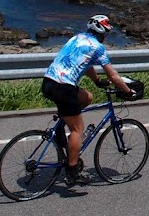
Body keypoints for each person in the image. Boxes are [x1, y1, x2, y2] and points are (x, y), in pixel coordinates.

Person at [41, 14, 136, 185]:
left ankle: (61, 130)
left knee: (87, 97)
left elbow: (86, 64)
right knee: (78, 129)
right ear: (104, 33)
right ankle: (72, 171)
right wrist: (128, 91)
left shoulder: (77, 38)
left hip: (48, 82)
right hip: (64, 87)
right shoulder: (97, 47)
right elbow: (113, 76)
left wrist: (98, 81)